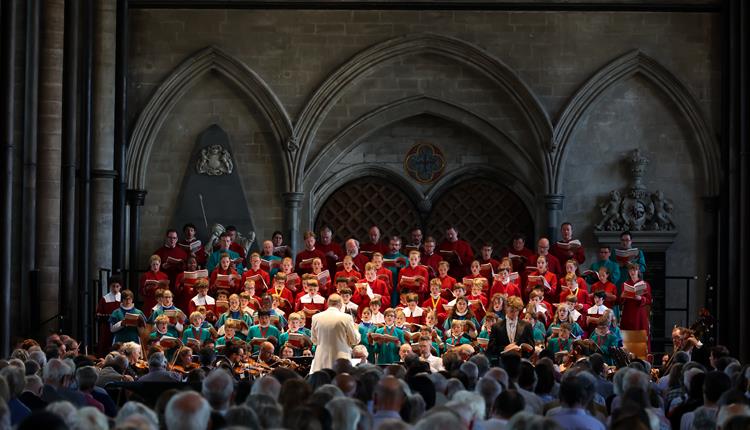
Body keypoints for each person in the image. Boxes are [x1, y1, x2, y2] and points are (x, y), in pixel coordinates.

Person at [309, 294, 361, 372]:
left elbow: (314, 340)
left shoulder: (316, 317)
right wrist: (356, 329)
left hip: (322, 358)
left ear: (327, 303)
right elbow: (354, 340)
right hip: (341, 359)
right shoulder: (346, 318)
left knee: (323, 380)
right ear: (340, 304)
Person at [486, 296, 534, 362]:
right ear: (506, 308)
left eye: (516, 311)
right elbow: (491, 348)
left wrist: (523, 350)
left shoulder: (526, 326)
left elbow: (532, 348)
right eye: (511, 311)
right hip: (502, 362)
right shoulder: (496, 326)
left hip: (520, 363)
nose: (514, 314)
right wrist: (505, 348)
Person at [619, 262, 652, 350]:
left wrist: (640, 298)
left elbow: (648, 300)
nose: (632, 272)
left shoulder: (644, 284)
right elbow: (620, 301)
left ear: (638, 271)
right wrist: (622, 296)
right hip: (628, 313)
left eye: (634, 269)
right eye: (630, 270)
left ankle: (640, 359)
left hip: (639, 314)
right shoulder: (625, 284)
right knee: (627, 340)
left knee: (640, 340)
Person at [96, 278, 122, 355]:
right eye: (113, 286)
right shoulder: (104, 299)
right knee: (106, 343)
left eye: (117, 286)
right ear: (110, 287)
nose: (115, 288)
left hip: (120, 326)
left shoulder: (123, 298)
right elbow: (98, 314)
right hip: (107, 326)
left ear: (120, 287)